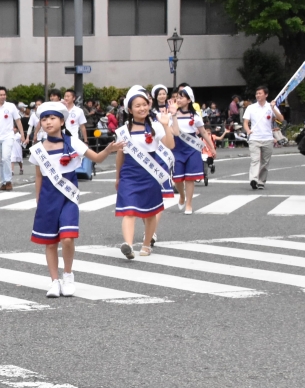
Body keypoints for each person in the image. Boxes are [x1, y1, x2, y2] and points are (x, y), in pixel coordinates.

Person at [30, 101, 120, 298]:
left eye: (52, 118)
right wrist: (38, 201)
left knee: (68, 238)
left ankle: (68, 275)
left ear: (62, 121)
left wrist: (108, 150)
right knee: (50, 243)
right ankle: (54, 281)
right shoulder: (38, 149)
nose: (48, 122)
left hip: (68, 198)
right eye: (44, 119)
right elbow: (38, 177)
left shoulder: (73, 143)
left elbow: (96, 158)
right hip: (47, 199)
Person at [114, 85, 175, 259]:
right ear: (130, 110)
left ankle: (146, 244)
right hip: (129, 173)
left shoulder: (156, 126)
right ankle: (128, 245)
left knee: (150, 212)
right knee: (129, 211)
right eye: (137, 106)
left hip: (150, 175)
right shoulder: (124, 131)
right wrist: (117, 177)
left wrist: (166, 125)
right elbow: (120, 155)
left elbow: (170, 145)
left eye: (144, 104)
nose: (142, 108)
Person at [168, 86, 210, 214]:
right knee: (177, 178)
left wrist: (211, 147)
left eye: (181, 97)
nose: (179, 100)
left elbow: (203, 132)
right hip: (177, 148)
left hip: (192, 149)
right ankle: (182, 195)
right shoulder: (172, 114)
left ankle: (189, 204)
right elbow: (171, 131)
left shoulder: (195, 116)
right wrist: (173, 115)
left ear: (189, 100)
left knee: (190, 178)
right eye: (177, 97)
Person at [244, 85, 283, 189]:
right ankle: (253, 179)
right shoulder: (251, 107)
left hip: (268, 138)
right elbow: (245, 122)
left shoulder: (271, 106)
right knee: (255, 160)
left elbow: (281, 119)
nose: (258, 95)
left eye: (260, 93)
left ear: (266, 95)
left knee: (265, 162)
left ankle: (261, 181)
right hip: (254, 138)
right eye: (256, 93)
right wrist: (248, 130)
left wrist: (273, 108)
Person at [0, 86, 23, 188]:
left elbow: (18, 120)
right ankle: (3, 182)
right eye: (0, 95)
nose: (3, 96)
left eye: (4, 95)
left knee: (6, 157)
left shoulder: (11, 106)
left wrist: (22, 134)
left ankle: (8, 181)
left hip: (8, 136)